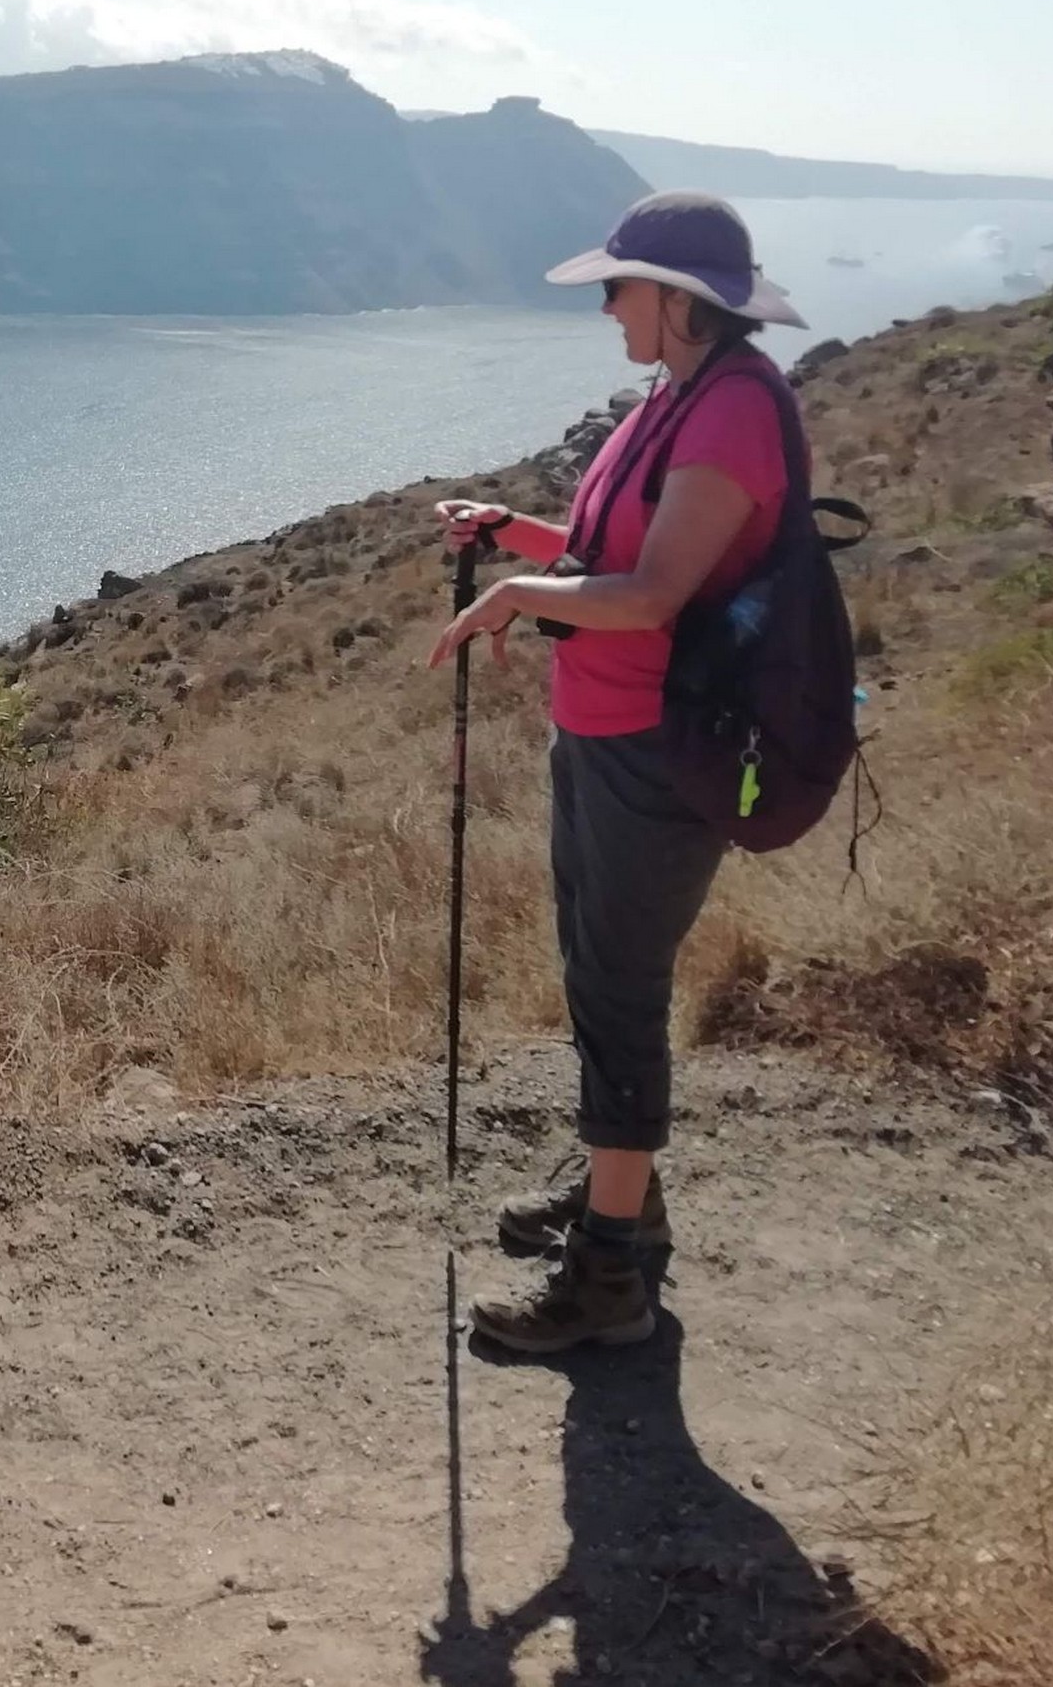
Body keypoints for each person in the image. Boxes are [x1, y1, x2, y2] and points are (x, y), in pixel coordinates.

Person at [424, 191, 809, 1353]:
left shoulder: (734, 413)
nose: (605, 308)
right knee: (596, 970)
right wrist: (517, 536)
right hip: (601, 729)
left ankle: (608, 1282)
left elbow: (649, 599)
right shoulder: (677, 397)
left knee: (621, 983)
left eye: (618, 287)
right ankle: (623, 1205)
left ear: (679, 301)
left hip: (658, 744)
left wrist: (513, 593)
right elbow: (612, 559)